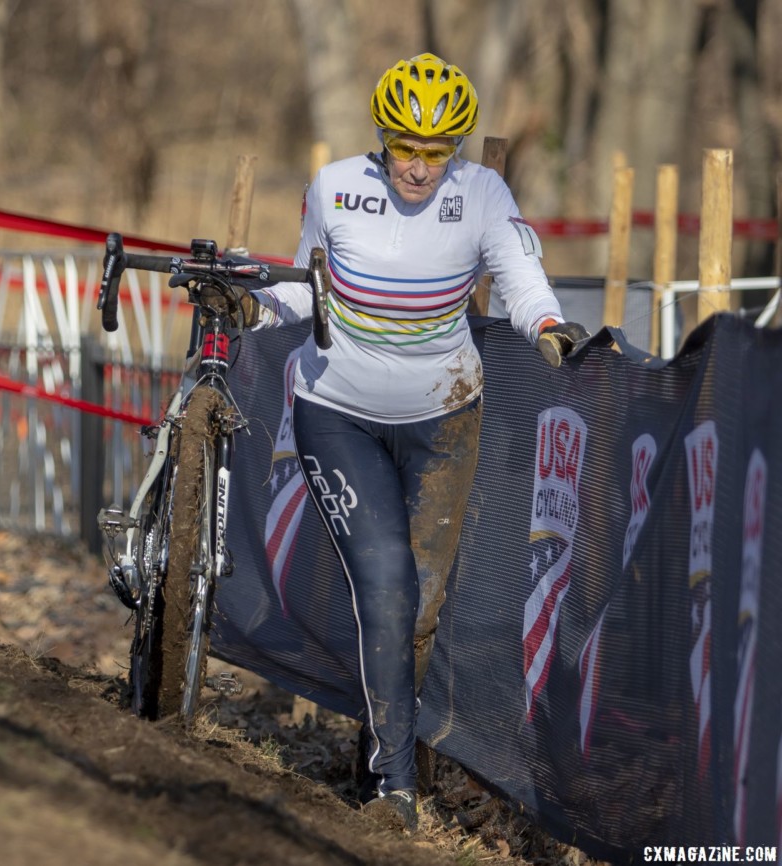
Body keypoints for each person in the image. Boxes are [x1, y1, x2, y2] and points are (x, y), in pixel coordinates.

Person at [240, 52, 589, 832]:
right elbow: (305, 285)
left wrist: (545, 325)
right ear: (382, 137)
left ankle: (379, 739)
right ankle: (392, 787)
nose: (421, 168)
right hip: (337, 412)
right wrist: (255, 310)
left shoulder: (483, 194)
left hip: (444, 416)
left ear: (457, 150)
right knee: (389, 588)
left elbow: (521, 274)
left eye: (438, 152)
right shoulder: (335, 188)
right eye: (406, 147)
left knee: (420, 610)